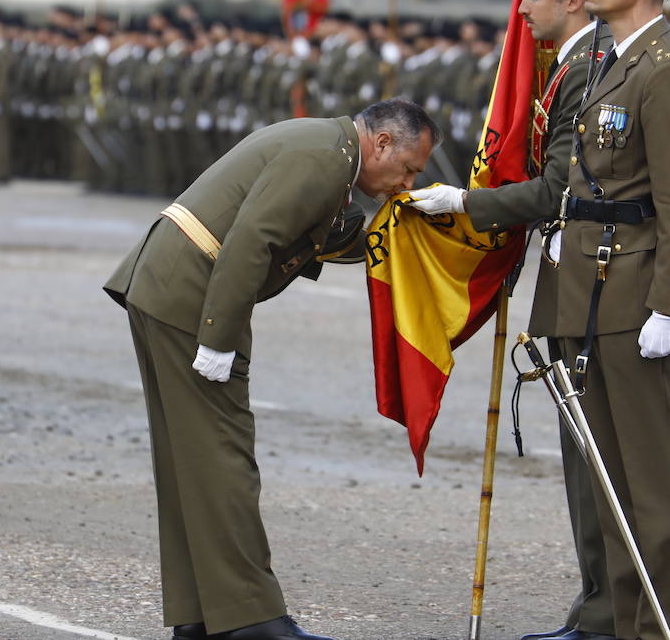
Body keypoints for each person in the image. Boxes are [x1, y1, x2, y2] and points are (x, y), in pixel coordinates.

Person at [104, 99, 438, 640]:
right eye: (408, 169)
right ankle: (250, 619)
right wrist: (217, 337)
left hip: (170, 284)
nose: (406, 183)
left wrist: (411, 229)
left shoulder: (330, 149)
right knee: (223, 458)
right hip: (195, 294)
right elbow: (253, 239)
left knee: (190, 460)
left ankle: (201, 616)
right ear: (381, 143)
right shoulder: (328, 158)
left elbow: (324, 237)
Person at [401, 0, 622, 640]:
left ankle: (607, 616)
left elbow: (561, 187)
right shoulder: (570, 64)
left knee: (598, 460)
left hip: (595, 279)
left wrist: (466, 205)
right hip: (574, 274)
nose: (520, 9)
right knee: (584, 460)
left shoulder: (587, 65)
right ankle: (598, 609)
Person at [556, 0, 670, 640]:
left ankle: (669, 631)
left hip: (638, 297)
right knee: (612, 487)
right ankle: (627, 628)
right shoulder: (610, 61)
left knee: (655, 488)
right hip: (594, 294)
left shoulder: (666, 69)